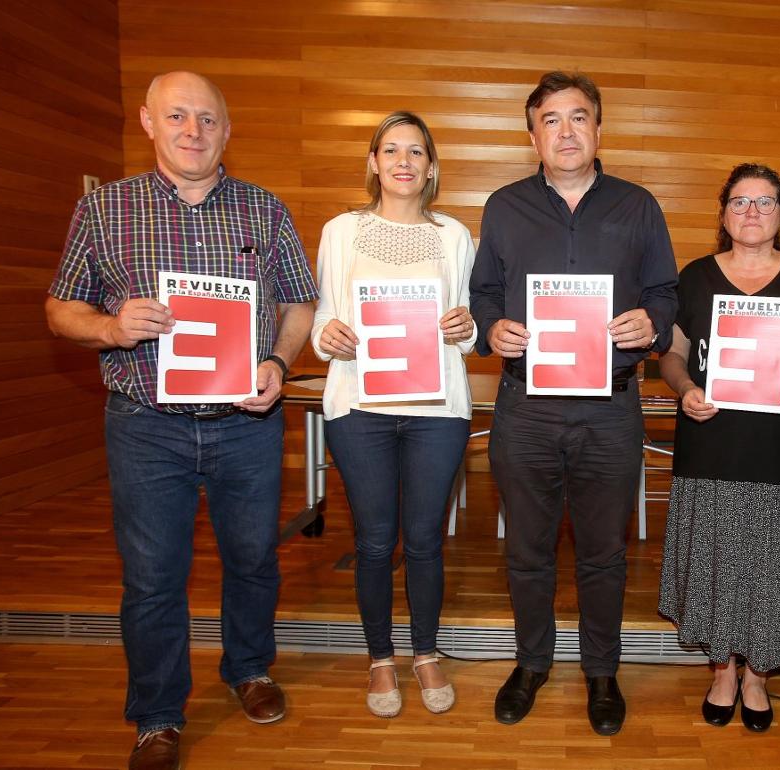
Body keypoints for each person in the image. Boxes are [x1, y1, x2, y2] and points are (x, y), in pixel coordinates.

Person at [45, 71, 317, 770]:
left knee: (253, 561)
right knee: (152, 576)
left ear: (228, 130)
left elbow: (297, 306)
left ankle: (250, 670)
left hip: (247, 424)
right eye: (177, 117)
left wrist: (280, 365)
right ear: (147, 121)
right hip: (146, 426)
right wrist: (109, 327)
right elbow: (59, 308)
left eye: (207, 119)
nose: (193, 131)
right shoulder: (105, 210)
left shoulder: (265, 210)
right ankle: (158, 715)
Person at [469, 71, 678, 736]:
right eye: (551, 119)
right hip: (524, 406)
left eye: (578, 117)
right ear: (532, 134)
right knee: (527, 551)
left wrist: (653, 323)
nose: (566, 131)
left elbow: (666, 292)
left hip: (611, 408)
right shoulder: (504, 206)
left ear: (598, 128)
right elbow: (484, 292)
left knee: (603, 554)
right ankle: (531, 664)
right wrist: (490, 327)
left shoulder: (638, 205)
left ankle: (601, 672)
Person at [657, 163, 780, 732]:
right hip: (711, 444)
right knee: (715, 562)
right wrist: (687, 388)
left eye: (764, 202)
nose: (751, 212)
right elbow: (669, 355)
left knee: (777, 566)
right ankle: (721, 671)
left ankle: (759, 676)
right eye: (739, 202)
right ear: (723, 214)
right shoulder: (694, 278)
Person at [310, 111, 476, 719]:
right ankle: (381, 658)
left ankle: (426, 651)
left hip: (438, 410)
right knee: (376, 542)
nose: (404, 161)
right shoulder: (340, 231)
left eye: (417, 151)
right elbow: (324, 319)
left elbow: (468, 325)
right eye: (391, 149)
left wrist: (468, 327)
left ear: (431, 167)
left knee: (426, 540)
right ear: (374, 162)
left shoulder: (455, 236)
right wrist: (328, 334)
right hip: (360, 408)